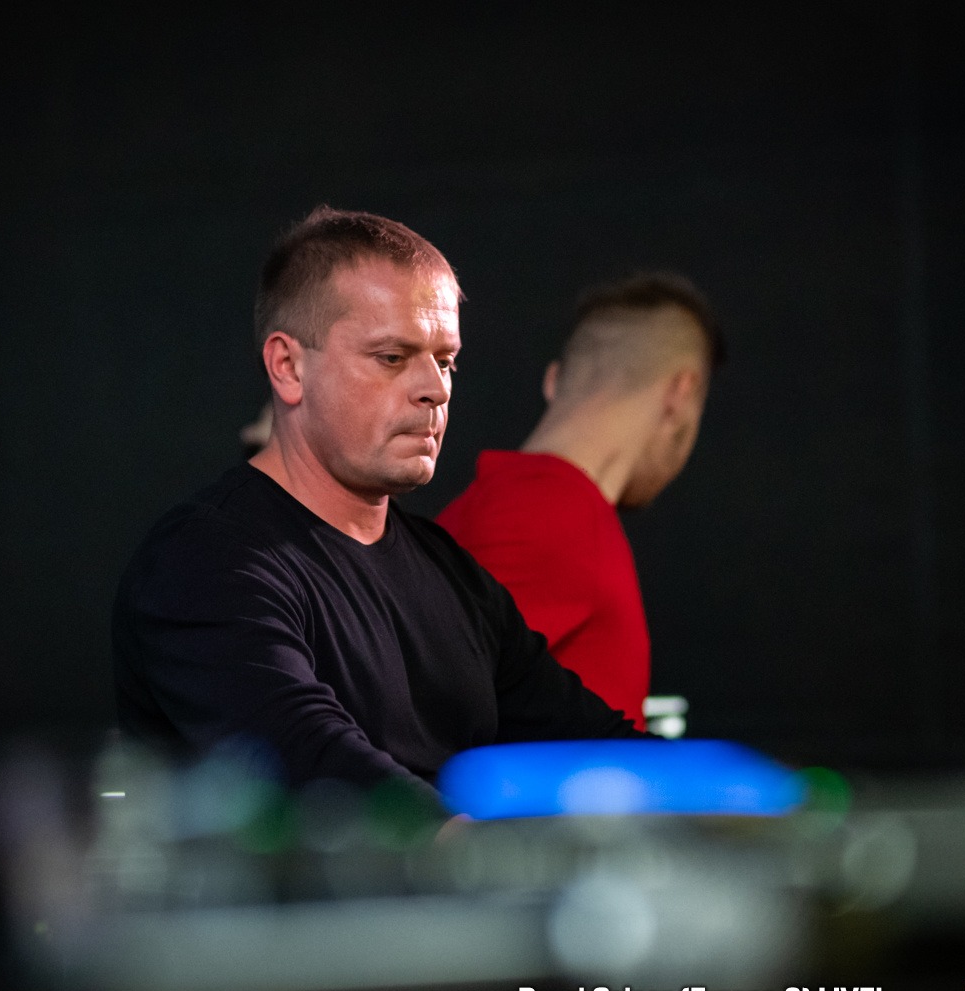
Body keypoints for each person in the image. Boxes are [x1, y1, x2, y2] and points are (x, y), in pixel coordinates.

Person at [113, 208, 644, 798]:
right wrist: (470, 844)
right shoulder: (203, 563)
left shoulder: (450, 572)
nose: (435, 389)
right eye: (392, 357)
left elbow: (588, 741)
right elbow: (313, 769)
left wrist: (711, 804)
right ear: (288, 367)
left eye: (445, 361)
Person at [437, 273, 724, 729]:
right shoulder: (552, 514)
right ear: (681, 393)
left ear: (554, 380)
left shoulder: (522, 503)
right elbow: (427, 714)